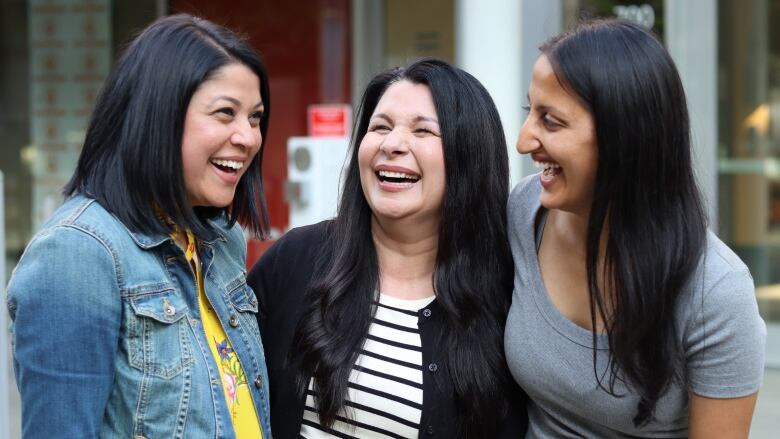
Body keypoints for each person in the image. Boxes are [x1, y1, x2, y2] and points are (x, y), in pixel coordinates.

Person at [6, 14, 273, 438]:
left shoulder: (222, 240)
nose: (248, 137)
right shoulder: (77, 255)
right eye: (226, 113)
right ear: (158, 114)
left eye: (255, 117)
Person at [505, 18, 767, 438]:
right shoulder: (523, 212)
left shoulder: (715, 293)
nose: (523, 140)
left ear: (622, 136)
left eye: (550, 121)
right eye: (529, 112)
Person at [248, 58, 526, 438]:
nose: (392, 144)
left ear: (469, 156)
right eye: (380, 127)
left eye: (423, 131)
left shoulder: (505, 303)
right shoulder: (298, 258)